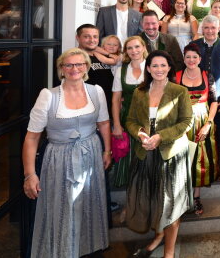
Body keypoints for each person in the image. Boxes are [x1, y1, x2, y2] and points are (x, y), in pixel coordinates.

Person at [22, 48, 111, 257]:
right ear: (61, 69)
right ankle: (62, 250)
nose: (74, 69)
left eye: (79, 64)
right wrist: (30, 174)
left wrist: (107, 151)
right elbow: (32, 137)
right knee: (62, 208)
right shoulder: (48, 96)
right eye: (69, 65)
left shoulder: (96, 91)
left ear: (87, 67)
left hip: (91, 155)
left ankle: (86, 248)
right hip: (58, 159)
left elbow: (104, 123)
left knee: (90, 204)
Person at [125, 50, 193, 258]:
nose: (159, 69)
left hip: (170, 155)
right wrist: (140, 135)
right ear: (148, 68)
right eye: (155, 65)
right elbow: (131, 121)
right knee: (153, 201)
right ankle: (158, 236)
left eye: (163, 65)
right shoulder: (139, 92)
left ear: (170, 68)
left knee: (171, 205)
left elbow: (186, 122)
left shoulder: (180, 91)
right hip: (146, 155)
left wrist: (160, 137)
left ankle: (169, 253)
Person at [175, 44, 219, 216]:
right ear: (184, 59)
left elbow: (214, 101)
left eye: (195, 57)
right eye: (188, 57)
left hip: (202, 121)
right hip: (182, 122)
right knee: (182, 160)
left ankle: (196, 197)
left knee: (200, 160)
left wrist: (208, 123)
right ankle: (181, 197)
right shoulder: (176, 76)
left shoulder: (208, 76)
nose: (191, 60)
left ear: (200, 59)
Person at [190, 15, 220, 180]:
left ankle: (217, 165)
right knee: (199, 133)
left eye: (213, 28)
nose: (209, 31)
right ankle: (200, 167)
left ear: (218, 29)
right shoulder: (193, 46)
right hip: (197, 100)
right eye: (206, 28)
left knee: (218, 133)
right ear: (202, 29)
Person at [111, 36, 148, 188]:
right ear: (126, 51)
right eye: (130, 48)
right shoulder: (121, 70)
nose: (134, 51)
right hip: (127, 118)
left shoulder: (153, 67)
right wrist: (117, 125)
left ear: (144, 48)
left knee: (147, 161)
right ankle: (132, 199)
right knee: (130, 161)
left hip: (148, 119)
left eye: (137, 47)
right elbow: (115, 100)